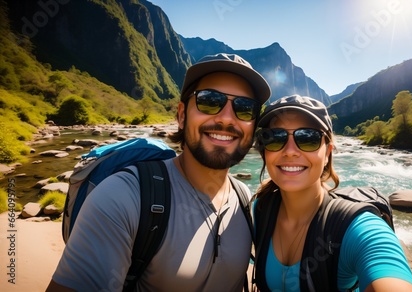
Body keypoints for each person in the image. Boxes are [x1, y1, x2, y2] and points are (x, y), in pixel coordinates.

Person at [46, 53, 271, 291]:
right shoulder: (124, 197)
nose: (226, 118)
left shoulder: (245, 198)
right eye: (210, 101)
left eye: (245, 108)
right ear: (182, 115)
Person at [251, 95, 412, 291]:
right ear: (264, 150)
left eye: (308, 138)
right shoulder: (261, 208)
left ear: (327, 152)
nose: (290, 151)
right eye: (275, 137)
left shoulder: (355, 227)